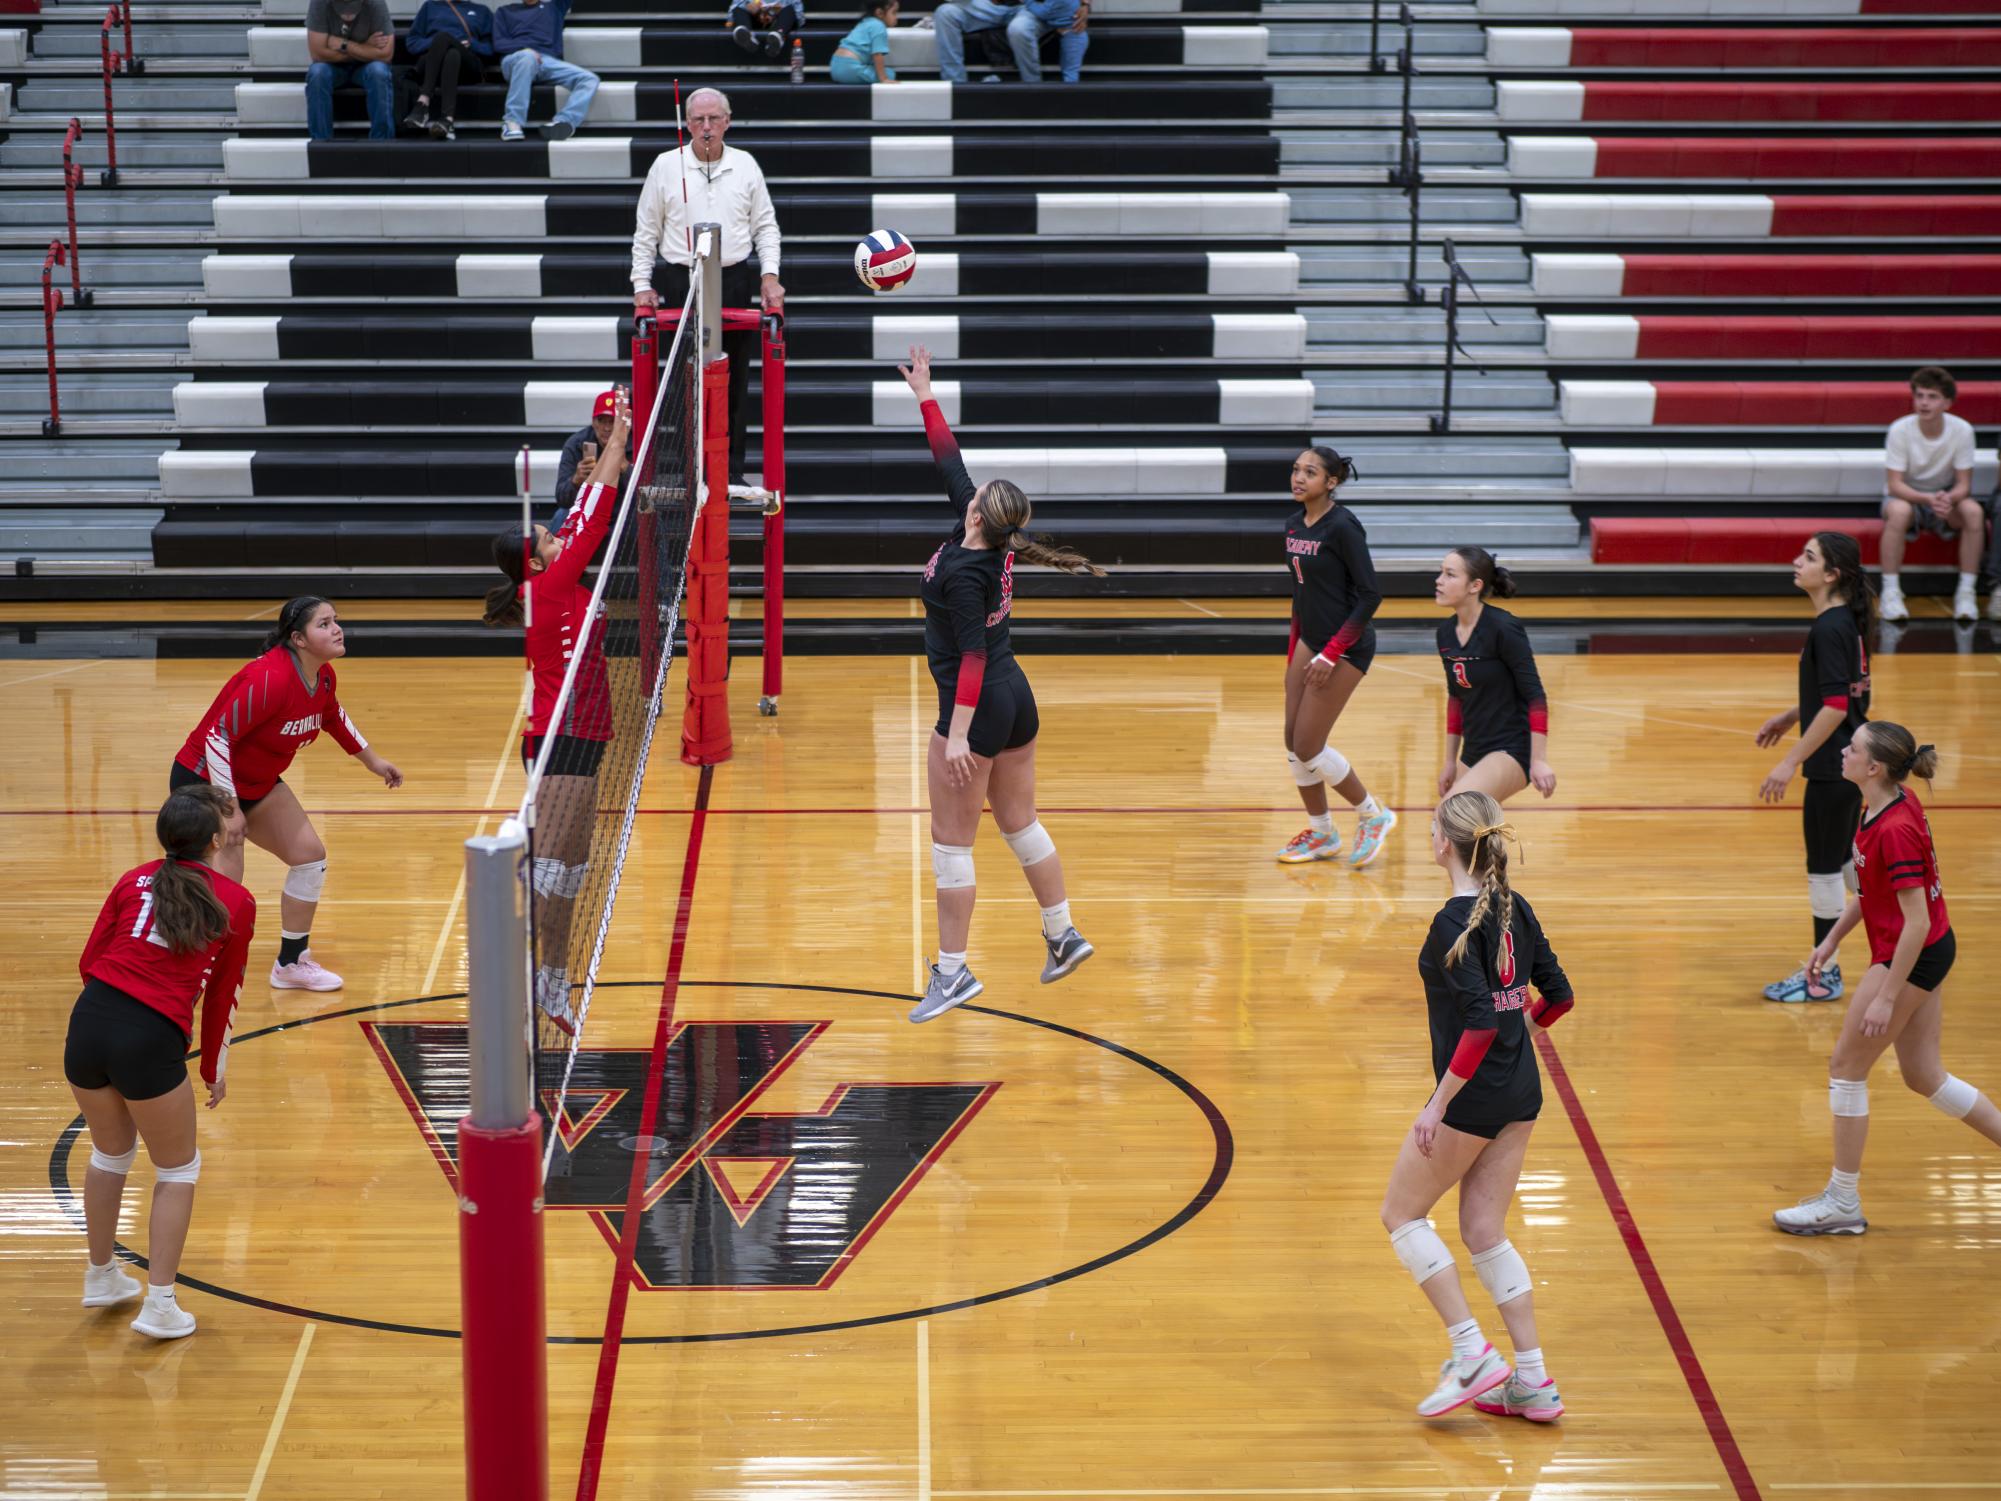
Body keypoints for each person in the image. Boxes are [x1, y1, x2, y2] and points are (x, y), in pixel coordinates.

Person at [897, 346, 1099, 1023]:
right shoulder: (982, 536)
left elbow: (972, 656)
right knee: (1019, 825)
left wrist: (956, 735)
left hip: (979, 704)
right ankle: (1062, 933)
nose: (971, 489)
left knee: (951, 845)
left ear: (981, 515)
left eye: (978, 494)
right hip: (1016, 701)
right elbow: (949, 462)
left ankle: (951, 974)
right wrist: (924, 393)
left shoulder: (963, 571)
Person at [1381, 789, 1573, 1420]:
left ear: (1444, 843)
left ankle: (1472, 1353)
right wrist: (1525, 1035)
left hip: (1475, 1097)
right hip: (1520, 1092)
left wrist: (1437, 1106)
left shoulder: (1452, 922)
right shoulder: (1514, 907)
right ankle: (1535, 1382)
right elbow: (1560, 996)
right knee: (1484, 1232)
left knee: (1402, 1216)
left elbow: (1481, 1024)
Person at [1773, 722, 2001, 1235]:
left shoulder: (1894, 828)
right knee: (1924, 1076)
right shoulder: (1884, 804)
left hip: (1911, 955)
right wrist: (1831, 940)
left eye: (1851, 748)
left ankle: (1842, 1201)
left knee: (1846, 1068)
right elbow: (1870, 891)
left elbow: (1915, 920)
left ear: (1873, 767)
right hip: (1924, 949)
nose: (1843, 752)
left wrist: (1887, 997)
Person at [65, 785, 255, 1340]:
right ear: (216, 840)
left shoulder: (132, 878)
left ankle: (102, 1276)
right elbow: (224, 992)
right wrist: (212, 1067)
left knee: (110, 1153)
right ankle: (161, 1304)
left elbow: (89, 959)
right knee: (177, 1170)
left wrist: (109, 1020)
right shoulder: (234, 900)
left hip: (90, 1020)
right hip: (147, 1036)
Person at [483, 390, 632, 1031]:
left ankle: (552, 977)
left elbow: (579, 510)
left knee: (572, 872)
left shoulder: (550, 574)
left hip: (585, 733)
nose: (556, 528)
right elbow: (594, 516)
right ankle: (523, 971)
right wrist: (623, 433)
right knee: (553, 871)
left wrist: (604, 460)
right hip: (559, 738)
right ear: (539, 558)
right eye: (547, 534)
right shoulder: (548, 587)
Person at [172, 597, 404, 992]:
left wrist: (373, 761)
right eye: (324, 624)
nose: (337, 629)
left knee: (309, 856)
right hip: (204, 781)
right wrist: (227, 807)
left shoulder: (323, 676)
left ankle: (291, 963)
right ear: (298, 638)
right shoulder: (269, 680)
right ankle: (198, 969)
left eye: (336, 621)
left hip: (257, 784)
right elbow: (218, 736)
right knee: (228, 877)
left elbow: (333, 716)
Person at [630, 88, 784, 484]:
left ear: (727, 121)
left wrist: (769, 275)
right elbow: (646, 231)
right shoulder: (666, 166)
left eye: (714, 119)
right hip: (680, 280)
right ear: (687, 124)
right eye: (698, 120)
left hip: (732, 278)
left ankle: (730, 472)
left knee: (733, 378)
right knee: (685, 378)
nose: (706, 127)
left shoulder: (746, 165)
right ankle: (690, 473)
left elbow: (765, 225)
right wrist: (641, 284)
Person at [1756, 533, 1873, 1003]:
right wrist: (1790, 716)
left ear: (1831, 575)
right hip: (1851, 764)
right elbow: (1839, 693)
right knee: (1847, 862)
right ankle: (1908, 923)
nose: (1796, 561)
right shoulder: (1843, 622)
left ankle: (1822, 976)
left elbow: (1836, 706)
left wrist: (1789, 761)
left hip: (1833, 767)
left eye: (1809, 557)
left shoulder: (1829, 628)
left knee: (1824, 871)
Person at [1276, 446, 1397, 868]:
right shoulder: (1293, 524)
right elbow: (1301, 596)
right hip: (1310, 642)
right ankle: (1323, 833)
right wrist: (1296, 655)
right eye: (1296, 470)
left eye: (1310, 472)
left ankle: (1372, 814)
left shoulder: (1344, 527)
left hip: (1347, 646)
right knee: (1293, 742)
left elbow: (1370, 596)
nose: (1299, 477)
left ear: (1332, 482)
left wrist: (1330, 655)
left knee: (1310, 745)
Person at [1434, 546, 1554, 805]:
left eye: (1450, 575)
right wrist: (1449, 762)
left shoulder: (1503, 627)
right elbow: (1456, 699)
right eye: (1441, 572)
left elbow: (1535, 695)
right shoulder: (1445, 633)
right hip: (1474, 748)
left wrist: (1539, 760)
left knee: (1454, 811)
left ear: (1474, 585)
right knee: (1451, 835)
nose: (1439, 580)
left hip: (1511, 748)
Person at [1880, 366, 1987, 624]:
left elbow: (1964, 485)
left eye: (1932, 396)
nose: (1924, 402)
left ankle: (1966, 592)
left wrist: (1948, 499)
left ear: (1948, 403)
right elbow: (1895, 485)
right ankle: (1891, 591)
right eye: (1920, 396)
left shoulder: (1962, 430)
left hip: (1944, 497)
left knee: (1974, 512)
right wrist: (1927, 499)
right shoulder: (1900, 429)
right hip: (1909, 497)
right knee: (1899, 511)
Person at [493, 0, 599, 142]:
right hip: (515, 58)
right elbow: (499, 43)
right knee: (527, 57)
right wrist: (525, 48)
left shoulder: (554, 7)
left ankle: (564, 120)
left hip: (547, 61)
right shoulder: (504, 11)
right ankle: (512, 122)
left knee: (589, 79)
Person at [400, 0, 494, 140]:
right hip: (433, 65)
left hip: (467, 67)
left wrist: (471, 43)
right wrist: (436, 44)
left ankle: (423, 102)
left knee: (446, 40)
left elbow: (490, 49)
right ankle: (447, 120)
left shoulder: (482, 11)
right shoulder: (430, 7)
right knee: (450, 51)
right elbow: (412, 43)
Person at [934, 0, 1087, 82]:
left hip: (1026, 7)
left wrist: (1085, 3)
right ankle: (955, 83)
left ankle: (1032, 84)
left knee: (1019, 28)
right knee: (945, 12)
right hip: (985, 6)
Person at [305, 0, 393, 142]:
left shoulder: (376, 3)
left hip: (365, 66)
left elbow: (386, 54)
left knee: (379, 72)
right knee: (317, 73)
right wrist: (365, 47)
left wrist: (344, 44)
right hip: (332, 66)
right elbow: (317, 54)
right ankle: (321, 144)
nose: (347, 13)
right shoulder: (319, 3)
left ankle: (381, 143)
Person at [554, 388, 630, 526]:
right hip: (589, 509)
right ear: (593, 421)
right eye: (601, 421)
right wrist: (575, 481)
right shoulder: (576, 444)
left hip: (624, 509)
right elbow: (562, 499)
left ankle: (657, 549)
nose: (606, 428)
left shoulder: (636, 442)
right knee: (562, 515)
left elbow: (647, 495)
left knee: (650, 516)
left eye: (612, 421)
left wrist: (627, 470)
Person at [831, 0, 898, 83]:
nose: (896, 17)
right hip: (849, 70)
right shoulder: (879, 26)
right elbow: (877, 54)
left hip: (835, 66)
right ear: (879, 13)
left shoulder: (865, 22)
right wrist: (884, 79)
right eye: (894, 13)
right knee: (890, 73)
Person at [729, 0, 804, 57]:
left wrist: (775, 11)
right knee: (738, 9)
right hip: (754, 20)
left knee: (789, 10)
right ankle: (747, 34)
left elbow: (798, 14)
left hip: (780, 22)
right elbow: (734, 10)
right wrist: (748, 7)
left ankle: (778, 37)